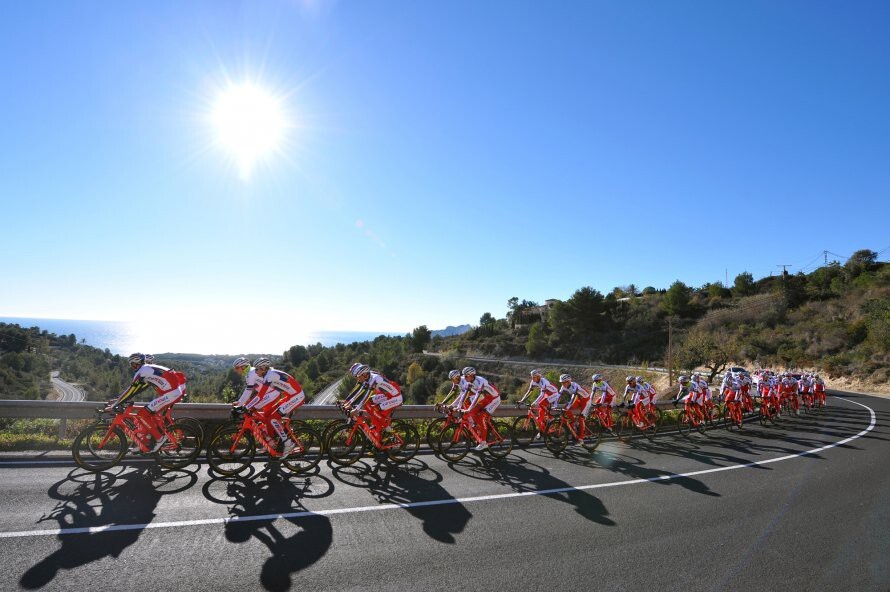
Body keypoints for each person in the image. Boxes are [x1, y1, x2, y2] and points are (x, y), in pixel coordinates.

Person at [107, 352, 187, 453]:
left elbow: (131, 390)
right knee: (147, 413)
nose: (131, 367)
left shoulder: (142, 372)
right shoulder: (146, 369)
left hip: (171, 393)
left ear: (135, 363)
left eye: (131, 364)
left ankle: (159, 439)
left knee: (143, 414)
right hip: (173, 391)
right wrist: (120, 399)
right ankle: (146, 441)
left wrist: (116, 404)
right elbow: (136, 389)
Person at [241, 357, 306, 457]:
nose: (256, 372)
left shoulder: (270, 376)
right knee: (268, 416)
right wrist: (250, 407)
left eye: (257, 369)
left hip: (297, 396)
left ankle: (288, 444)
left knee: (273, 418)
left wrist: (247, 407)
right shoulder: (269, 374)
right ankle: (279, 439)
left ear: (263, 368)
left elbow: (260, 396)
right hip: (290, 396)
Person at [342, 364, 403, 434]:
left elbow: (366, 395)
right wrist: (349, 403)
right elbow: (359, 392)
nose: (357, 379)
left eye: (358, 377)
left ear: (364, 374)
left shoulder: (375, 379)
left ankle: (387, 428)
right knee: (368, 403)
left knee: (376, 410)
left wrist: (356, 409)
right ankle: (375, 421)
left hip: (395, 397)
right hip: (387, 395)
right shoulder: (368, 377)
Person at [461, 367, 502, 451]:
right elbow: (464, 394)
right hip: (487, 398)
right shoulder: (469, 382)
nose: (464, 378)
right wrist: (458, 406)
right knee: (472, 413)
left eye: (466, 376)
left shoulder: (480, 381)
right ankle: (480, 430)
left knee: (482, 417)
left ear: (471, 375)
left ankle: (483, 442)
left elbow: (477, 396)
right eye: (464, 376)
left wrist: (470, 407)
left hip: (495, 398)